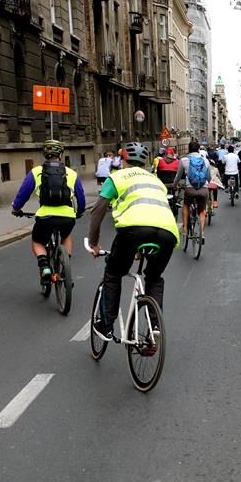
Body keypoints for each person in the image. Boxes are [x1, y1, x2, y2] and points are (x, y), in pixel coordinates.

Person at [87, 141, 179, 341]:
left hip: (134, 231)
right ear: (144, 161)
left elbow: (97, 211)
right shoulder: (155, 180)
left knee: (113, 273)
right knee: (154, 277)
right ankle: (155, 326)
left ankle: (106, 325)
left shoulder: (116, 177)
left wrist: (94, 243)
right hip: (168, 232)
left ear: (123, 160)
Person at [11, 139, 86, 283]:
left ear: (45, 154)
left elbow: (23, 194)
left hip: (45, 217)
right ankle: (65, 267)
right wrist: (80, 211)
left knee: (38, 241)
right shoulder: (71, 173)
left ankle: (45, 267)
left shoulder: (36, 172)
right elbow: (80, 197)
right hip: (67, 217)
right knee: (66, 235)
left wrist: (16, 208)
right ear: (61, 155)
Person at [172, 140, 211, 244]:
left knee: (185, 205)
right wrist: (207, 183)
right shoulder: (205, 161)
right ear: (198, 150)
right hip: (203, 190)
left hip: (189, 189)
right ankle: (202, 233)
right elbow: (209, 177)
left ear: (188, 149)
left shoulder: (184, 160)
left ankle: (185, 229)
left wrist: (174, 185)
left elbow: (178, 176)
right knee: (202, 211)